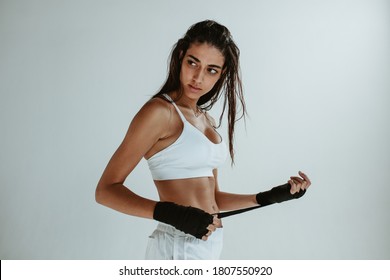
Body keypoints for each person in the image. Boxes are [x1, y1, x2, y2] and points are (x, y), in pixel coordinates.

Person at [95, 20, 311, 260]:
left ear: (222, 73)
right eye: (192, 63)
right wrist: (172, 214)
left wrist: (267, 197)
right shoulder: (160, 112)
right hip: (177, 244)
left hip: (208, 243)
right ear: (180, 57)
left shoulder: (205, 119)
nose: (198, 77)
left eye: (211, 70)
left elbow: (214, 199)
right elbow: (106, 190)